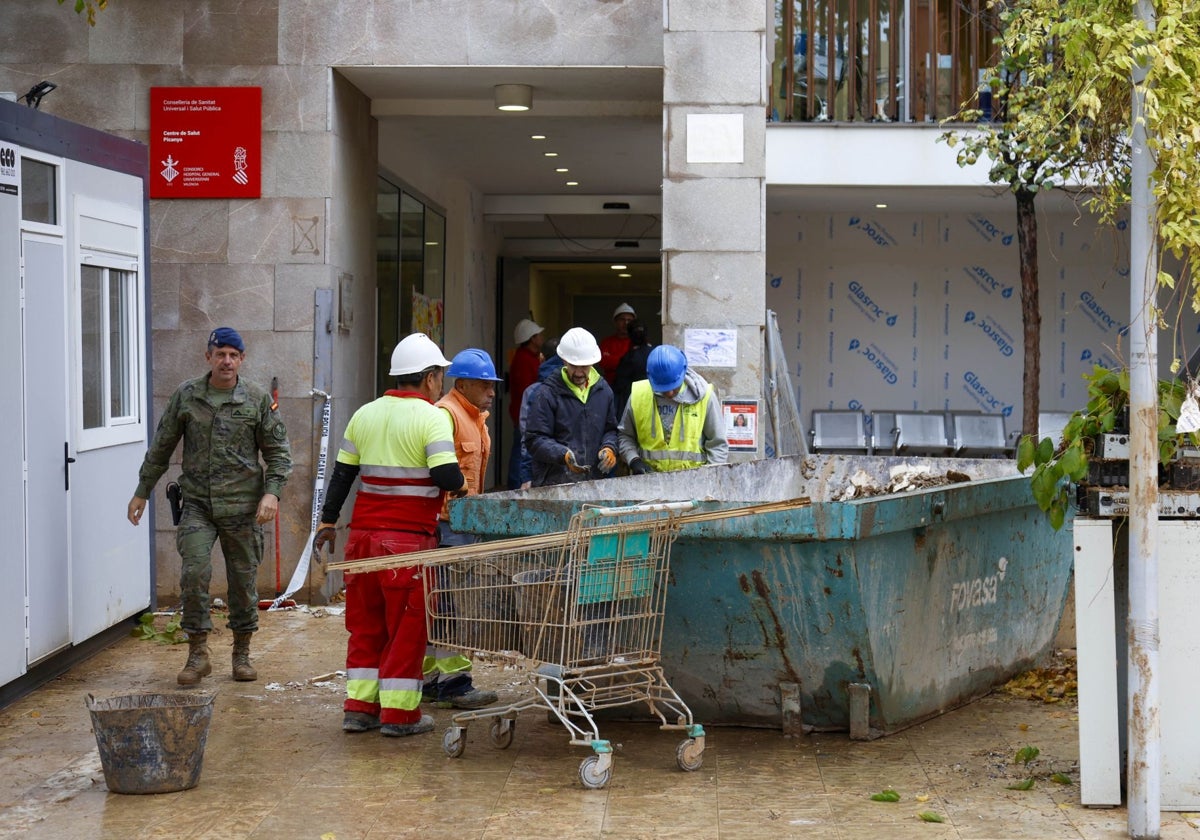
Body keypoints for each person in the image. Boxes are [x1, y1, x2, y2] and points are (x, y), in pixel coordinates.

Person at [313, 333, 467, 738]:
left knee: (366, 624)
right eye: (440, 376)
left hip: (362, 541)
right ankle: (400, 716)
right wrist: (464, 486)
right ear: (430, 378)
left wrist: (328, 523)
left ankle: (359, 708)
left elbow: (343, 476)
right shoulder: (432, 417)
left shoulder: (364, 414)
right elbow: (445, 475)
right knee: (407, 628)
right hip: (407, 545)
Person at [127, 327, 292, 687]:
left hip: (244, 508)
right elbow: (162, 446)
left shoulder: (256, 399)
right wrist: (142, 490)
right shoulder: (187, 396)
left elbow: (278, 453)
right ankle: (198, 653)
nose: (227, 361)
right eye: (220, 354)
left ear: (242, 359)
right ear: (208, 357)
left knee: (243, 583)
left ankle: (242, 653)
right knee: (194, 574)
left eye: (234, 355)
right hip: (198, 504)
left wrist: (272, 493)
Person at [423, 349, 502, 710]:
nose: (491, 391)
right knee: (451, 604)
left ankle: (431, 680)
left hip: (463, 523)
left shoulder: (475, 418)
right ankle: (453, 681)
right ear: (463, 383)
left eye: (492, 385)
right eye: (485, 384)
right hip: (445, 525)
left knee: (443, 603)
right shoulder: (447, 414)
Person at [525, 327, 618, 487]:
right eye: (574, 366)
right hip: (555, 486)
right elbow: (535, 439)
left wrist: (609, 447)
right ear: (564, 360)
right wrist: (563, 455)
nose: (579, 373)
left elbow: (610, 429)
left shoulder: (604, 391)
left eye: (584, 367)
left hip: (593, 484)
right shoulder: (547, 393)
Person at [617, 344, 728, 473]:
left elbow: (718, 444)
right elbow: (625, 436)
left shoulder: (704, 396)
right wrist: (633, 460)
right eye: (663, 388)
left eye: (674, 386)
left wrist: (709, 479)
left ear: (684, 371)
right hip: (649, 483)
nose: (669, 393)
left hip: (693, 484)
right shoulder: (638, 395)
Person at [516, 337, 562, 489]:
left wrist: (526, 476)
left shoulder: (532, 392)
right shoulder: (580, 389)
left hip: (539, 473)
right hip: (571, 470)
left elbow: (527, 438)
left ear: (542, 358)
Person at [506, 317, 545, 489]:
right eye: (539, 335)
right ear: (532, 338)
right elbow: (527, 390)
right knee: (520, 453)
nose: (541, 338)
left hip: (521, 413)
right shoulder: (524, 360)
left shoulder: (529, 358)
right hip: (524, 415)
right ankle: (515, 486)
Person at [612, 319, 653, 416]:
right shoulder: (656, 354)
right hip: (652, 403)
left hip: (632, 404)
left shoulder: (628, 358)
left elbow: (618, 385)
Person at [598, 303, 636, 384]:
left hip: (632, 388)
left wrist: (615, 361)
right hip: (610, 387)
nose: (626, 323)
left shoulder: (639, 343)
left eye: (629, 320)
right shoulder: (606, 342)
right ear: (615, 322)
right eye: (622, 319)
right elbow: (603, 362)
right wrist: (626, 362)